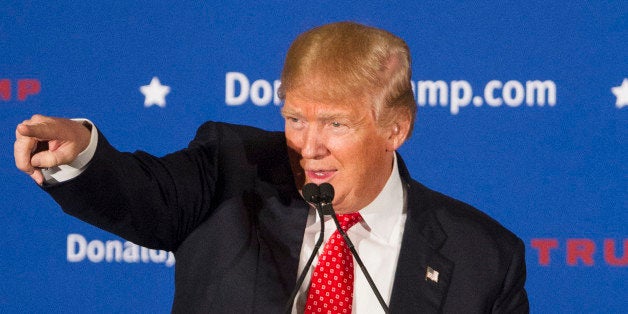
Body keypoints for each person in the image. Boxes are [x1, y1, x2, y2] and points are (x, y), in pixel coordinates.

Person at [14, 22, 529, 313]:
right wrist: (82, 156)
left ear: (396, 128)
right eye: (295, 118)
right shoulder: (231, 172)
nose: (309, 146)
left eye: (336, 124)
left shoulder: (484, 258)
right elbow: (143, 195)